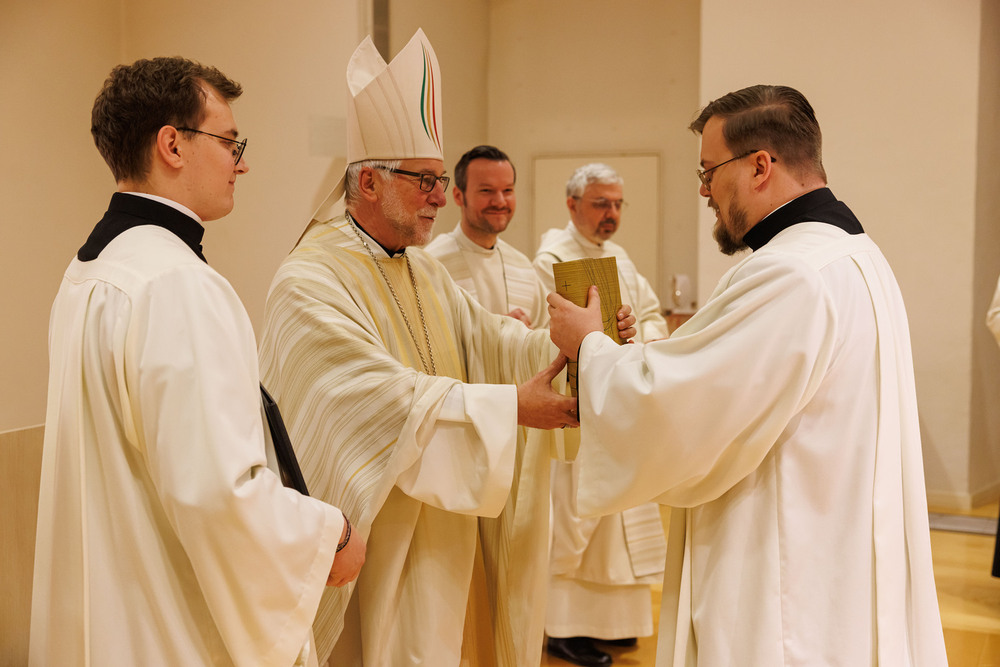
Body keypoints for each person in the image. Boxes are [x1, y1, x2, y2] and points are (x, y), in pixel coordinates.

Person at [258, 30, 634, 667]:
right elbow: (371, 399)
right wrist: (512, 407)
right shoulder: (310, 278)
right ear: (368, 182)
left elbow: (491, 343)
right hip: (376, 540)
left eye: (440, 179)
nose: (440, 196)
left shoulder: (422, 268)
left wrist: (577, 345)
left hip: (447, 529)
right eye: (426, 180)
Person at [546, 84, 948, 666]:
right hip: (835, 546)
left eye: (709, 171)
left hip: (782, 564)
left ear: (761, 165)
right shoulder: (853, 252)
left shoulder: (791, 272)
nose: (703, 189)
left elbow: (683, 405)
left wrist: (588, 347)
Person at [29, 57, 364, 667]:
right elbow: (216, 491)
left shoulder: (91, 268)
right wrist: (329, 534)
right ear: (173, 145)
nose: (241, 162)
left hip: (113, 608)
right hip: (165, 622)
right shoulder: (176, 282)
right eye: (230, 142)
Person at [534, 163, 668, 667]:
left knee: (617, 515)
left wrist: (638, 336)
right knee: (578, 517)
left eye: (616, 204)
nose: (611, 213)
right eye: (600, 204)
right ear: (572, 205)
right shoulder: (552, 258)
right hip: (579, 405)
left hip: (619, 399)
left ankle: (612, 623)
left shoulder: (619, 257)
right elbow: (544, 331)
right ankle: (562, 627)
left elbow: (650, 314)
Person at [424, 144, 548, 329]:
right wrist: (496, 331)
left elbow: (545, 333)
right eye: (486, 191)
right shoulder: (433, 264)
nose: (499, 201)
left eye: (507, 190)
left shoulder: (522, 267)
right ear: (458, 196)